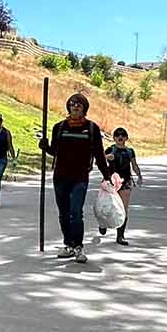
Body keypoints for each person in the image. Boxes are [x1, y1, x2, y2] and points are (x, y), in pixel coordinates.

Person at [40, 93, 115, 263]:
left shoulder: (92, 129)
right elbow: (55, 151)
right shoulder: (59, 127)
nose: (75, 106)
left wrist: (106, 176)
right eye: (73, 104)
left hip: (80, 178)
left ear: (84, 109)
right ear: (68, 107)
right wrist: (45, 147)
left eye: (79, 104)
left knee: (76, 211)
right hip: (60, 177)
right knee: (64, 213)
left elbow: (99, 155)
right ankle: (68, 245)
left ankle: (78, 247)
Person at [100, 127, 144, 245]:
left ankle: (120, 236)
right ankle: (102, 223)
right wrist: (106, 157)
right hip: (111, 182)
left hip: (125, 182)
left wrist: (139, 176)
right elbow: (98, 161)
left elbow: (134, 165)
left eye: (123, 135)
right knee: (107, 206)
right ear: (114, 138)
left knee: (123, 209)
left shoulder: (130, 151)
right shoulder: (110, 149)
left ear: (126, 138)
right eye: (117, 135)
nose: (120, 137)